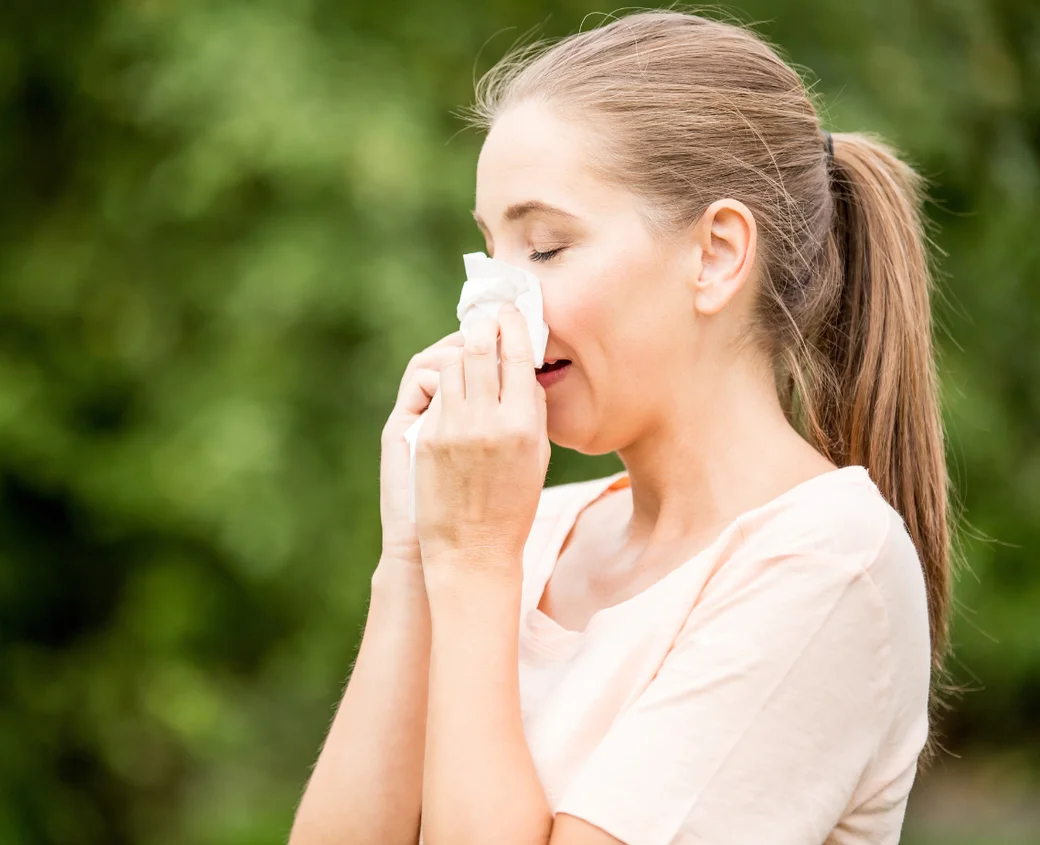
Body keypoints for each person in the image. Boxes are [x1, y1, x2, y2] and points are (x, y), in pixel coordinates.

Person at [290, 10, 952, 845]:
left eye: (546, 247)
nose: (492, 307)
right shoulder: (530, 530)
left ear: (714, 254)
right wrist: (414, 558)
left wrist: (473, 563)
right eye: (488, 253)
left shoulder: (826, 563)